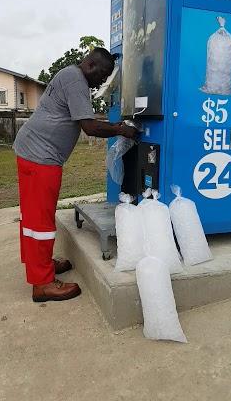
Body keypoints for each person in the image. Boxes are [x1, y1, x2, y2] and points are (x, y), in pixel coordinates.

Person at [12, 48, 138, 302]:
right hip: (40, 158)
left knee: (34, 217)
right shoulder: (76, 80)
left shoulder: (70, 76)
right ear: (89, 65)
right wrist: (121, 129)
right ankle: (42, 283)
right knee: (41, 223)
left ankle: (40, 264)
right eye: (102, 75)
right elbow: (89, 127)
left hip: (32, 152)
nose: (102, 82)